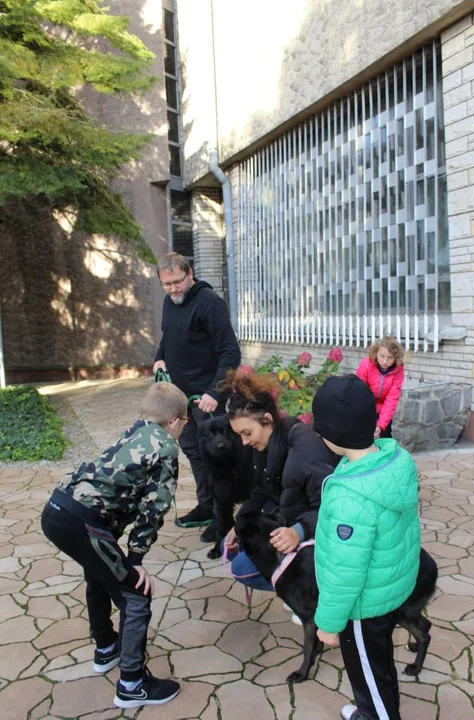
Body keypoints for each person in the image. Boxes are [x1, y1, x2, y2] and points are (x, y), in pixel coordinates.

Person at [41, 382, 188, 710]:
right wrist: (135, 559)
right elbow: (155, 506)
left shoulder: (135, 430)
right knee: (137, 594)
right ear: (176, 422)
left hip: (56, 511)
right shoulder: (164, 445)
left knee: (99, 575)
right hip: (81, 522)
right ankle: (132, 684)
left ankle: (107, 647)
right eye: (185, 424)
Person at [312, 374, 421, 720]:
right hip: (387, 591)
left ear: (331, 436)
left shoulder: (350, 498)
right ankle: (370, 710)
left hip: (362, 607)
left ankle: (374, 714)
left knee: (369, 674)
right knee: (378, 662)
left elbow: (346, 572)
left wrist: (329, 623)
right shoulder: (391, 461)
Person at [223, 370, 338, 620]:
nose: (244, 442)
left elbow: (333, 509)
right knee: (230, 546)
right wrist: (239, 522)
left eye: (246, 433)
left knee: (243, 567)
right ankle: (295, 585)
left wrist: (298, 531)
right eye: (239, 435)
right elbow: (259, 491)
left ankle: (312, 593)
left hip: (317, 534)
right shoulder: (266, 442)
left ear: (266, 419)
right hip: (287, 518)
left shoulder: (306, 450)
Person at [152, 252, 241, 543]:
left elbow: (230, 352)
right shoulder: (169, 302)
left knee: (216, 459)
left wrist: (215, 392)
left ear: (190, 273)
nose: (174, 290)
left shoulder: (209, 304)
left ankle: (223, 516)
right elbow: (168, 336)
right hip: (180, 397)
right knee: (194, 453)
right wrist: (159, 359)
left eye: (178, 282)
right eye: (167, 285)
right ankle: (207, 506)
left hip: (207, 400)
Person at [355, 336, 405, 439]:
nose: (385, 361)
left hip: (383, 408)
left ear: (396, 358)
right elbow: (359, 391)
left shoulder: (398, 370)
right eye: (382, 356)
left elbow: (392, 399)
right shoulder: (366, 365)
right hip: (365, 406)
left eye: (390, 358)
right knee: (363, 438)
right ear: (376, 353)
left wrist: (381, 425)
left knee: (385, 437)